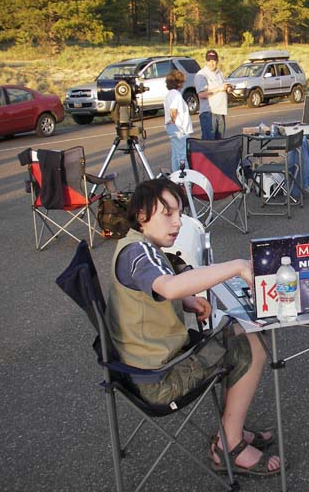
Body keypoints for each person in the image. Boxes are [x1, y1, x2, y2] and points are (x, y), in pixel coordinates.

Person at [105, 178, 281, 476]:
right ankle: (229, 445)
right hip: (157, 381)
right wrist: (237, 266)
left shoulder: (136, 245)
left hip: (145, 365)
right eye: (167, 214)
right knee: (254, 343)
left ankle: (230, 428)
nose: (177, 223)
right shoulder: (139, 253)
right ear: (142, 216)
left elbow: (155, 291)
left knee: (243, 331)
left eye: (180, 213)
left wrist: (187, 300)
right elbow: (169, 286)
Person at [195, 49, 231, 140]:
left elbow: (223, 86)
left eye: (214, 60)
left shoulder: (219, 73)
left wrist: (227, 88)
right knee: (209, 143)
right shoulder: (201, 75)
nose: (212, 63)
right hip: (209, 113)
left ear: (217, 61)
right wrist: (219, 89)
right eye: (209, 60)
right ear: (206, 61)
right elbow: (202, 95)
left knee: (219, 142)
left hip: (220, 111)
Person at [163, 70, 193, 172]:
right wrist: (173, 120)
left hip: (172, 127)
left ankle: (176, 177)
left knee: (175, 154)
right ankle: (185, 178)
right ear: (178, 83)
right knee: (182, 154)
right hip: (179, 128)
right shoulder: (176, 94)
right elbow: (173, 109)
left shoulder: (169, 94)